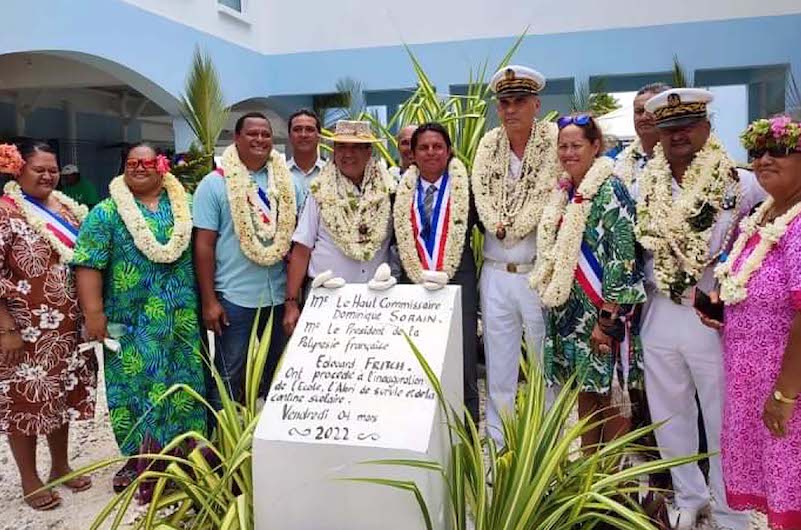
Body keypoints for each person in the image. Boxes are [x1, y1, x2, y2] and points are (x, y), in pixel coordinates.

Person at [633, 88, 764, 530]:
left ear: (707, 127)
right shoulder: (645, 182)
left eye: (688, 125)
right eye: (670, 128)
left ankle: (730, 510)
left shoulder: (739, 182)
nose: (678, 135)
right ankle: (689, 495)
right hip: (661, 305)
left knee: (722, 414)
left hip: (713, 312)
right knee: (669, 412)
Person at [72, 143, 207, 497]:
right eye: (132, 163)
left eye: (147, 162)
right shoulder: (106, 213)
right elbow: (88, 263)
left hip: (181, 321)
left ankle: (185, 456)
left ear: (162, 167)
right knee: (136, 393)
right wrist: (93, 314)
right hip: (130, 323)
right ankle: (142, 463)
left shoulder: (186, 206)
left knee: (184, 389)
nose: (140, 168)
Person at [700, 116, 801, 530]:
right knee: (774, 491)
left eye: (778, 150)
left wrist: (785, 395)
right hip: (750, 379)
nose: (763, 160)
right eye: (757, 152)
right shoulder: (758, 217)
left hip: (788, 385)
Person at [531, 114, 644, 450]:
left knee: (609, 397)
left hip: (600, 315)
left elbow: (622, 256)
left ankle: (611, 485)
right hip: (570, 315)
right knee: (585, 392)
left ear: (596, 147)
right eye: (563, 146)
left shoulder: (611, 189)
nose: (568, 152)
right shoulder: (566, 190)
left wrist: (607, 320)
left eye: (576, 145)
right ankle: (588, 483)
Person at [0, 141, 96, 510]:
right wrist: (5, 326)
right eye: (38, 168)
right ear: (18, 169)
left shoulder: (68, 209)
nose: (47, 175)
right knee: (25, 403)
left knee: (62, 396)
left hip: (69, 328)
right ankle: (29, 478)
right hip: (24, 332)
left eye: (52, 169)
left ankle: (60, 466)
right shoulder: (6, 212)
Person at [471, 65, 559, 445]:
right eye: (504, 102)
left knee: (544, 365)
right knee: (499, 366)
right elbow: (481, 201)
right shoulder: (488, 146)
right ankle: (499, 443)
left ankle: (545, 447)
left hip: (538, 272)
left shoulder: (556, 144)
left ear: (536, 104)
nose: (511, 110)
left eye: (519, 101)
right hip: (495, 270)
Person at [193, 112, 301, 407]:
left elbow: (300, 240)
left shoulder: (289, 183)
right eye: (252, 134)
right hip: (235, 297)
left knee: (280, 373)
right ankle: (223, 444)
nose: (260, 139)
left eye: (266, 134)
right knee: (229, 374)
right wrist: (209, 300)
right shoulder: (214, 185)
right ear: (236, 139)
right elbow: (203, 245)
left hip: (279, 297)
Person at [393, 122, 480, 422]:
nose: (431, 152)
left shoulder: (467, 187)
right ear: (412, 154)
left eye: (437, 146)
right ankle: (419, 429)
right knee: (418, 361)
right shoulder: (399, 191)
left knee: (464, 360)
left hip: (459, 283)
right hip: (412, 285)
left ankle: (467, 435)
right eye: (423, 147)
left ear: (449, 151)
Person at [283, 120, 397, 336]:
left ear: (369, 151)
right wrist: (291, 303)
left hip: (376, 300)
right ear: (334, 151)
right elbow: (301, 250)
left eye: (355, 147)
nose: (347, 154)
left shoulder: (389, 190)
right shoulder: (319, 192)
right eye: (341, 147)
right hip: (327, 298)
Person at [614, 83, 672, 187]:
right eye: (639, 111)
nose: (644, 117)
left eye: (651, 111)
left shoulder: (682, 157)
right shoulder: (620, 162)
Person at [287, 109, 326, 202]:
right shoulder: (277, 174)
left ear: (319, 136)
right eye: (297, 129)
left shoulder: (331, 173)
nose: (303, 135)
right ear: (289, 136)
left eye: (309, 129)